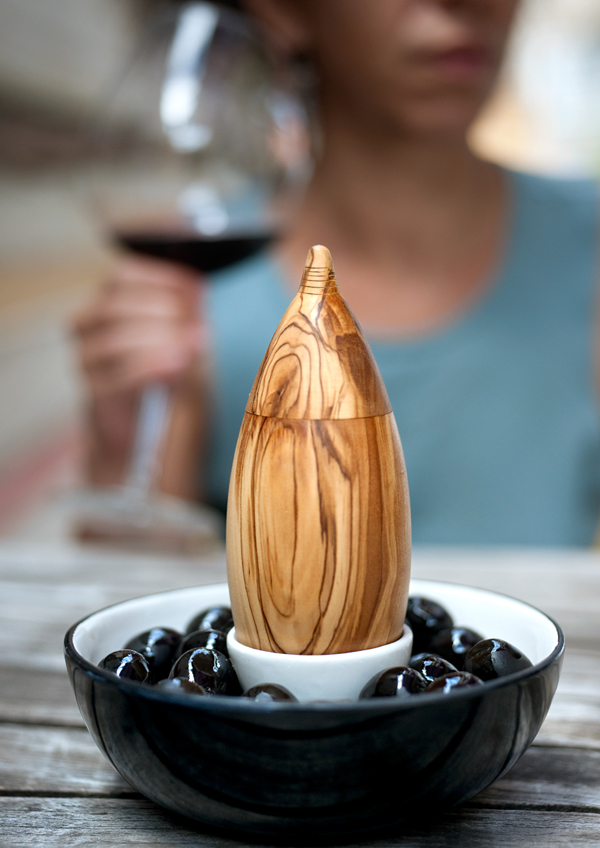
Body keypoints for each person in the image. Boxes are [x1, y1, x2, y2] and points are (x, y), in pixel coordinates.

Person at [73, 0, 600, 545]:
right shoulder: (189, 294)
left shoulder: (587, 245)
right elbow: (143, 602)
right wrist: (126, 454)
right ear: (284, 12)